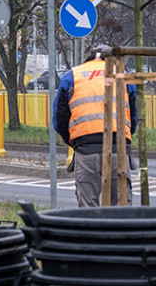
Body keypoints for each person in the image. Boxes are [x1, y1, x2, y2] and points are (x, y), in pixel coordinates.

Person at [52, 45, 138, 207]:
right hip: (118, 149)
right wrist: (126, 138)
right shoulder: (123, 75)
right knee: (121, 209)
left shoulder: (72, 76)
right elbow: (132, 116)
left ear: (88, 58)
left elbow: (60, 120)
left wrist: (74, 141)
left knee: (88, 210)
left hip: (86, 150)